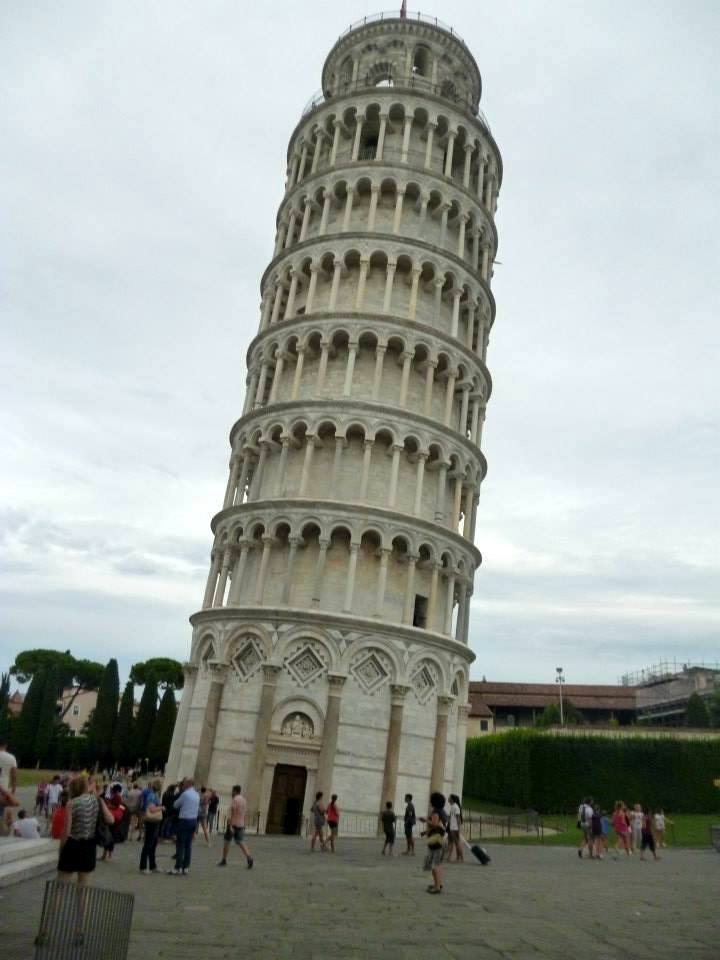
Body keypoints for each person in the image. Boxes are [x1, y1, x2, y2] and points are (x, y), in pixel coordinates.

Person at [35, 775, 114, 948]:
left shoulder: (71, 803)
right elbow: (111, 820)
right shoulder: (96, 801)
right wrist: (99, 800)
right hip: (89, 847)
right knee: (83, 891)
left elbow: (66, 830)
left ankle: (45, 932)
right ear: (87, 787)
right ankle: (79, 932)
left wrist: (62, 849)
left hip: (73, 844)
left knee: (59, 890)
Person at [169, 777, 200, 875]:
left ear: (188, 784)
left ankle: (178, 867)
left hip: (184, 820)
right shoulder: (196, 794)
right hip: (193, 821)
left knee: (180, 844)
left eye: (185, 783)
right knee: (188, 844)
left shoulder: (185, 794)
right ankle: (186, 867)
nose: (183, 785)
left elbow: (175, 805)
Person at [218, 784, 254, 868]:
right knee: (241, 841)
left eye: (232, 791)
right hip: (240, 824)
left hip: (233, 824)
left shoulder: (235, 800)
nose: (231, 792)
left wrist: (230, 825)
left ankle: (224, 860)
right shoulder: (244, 800)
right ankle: (249, 857)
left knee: (227, 841)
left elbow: (232, 813)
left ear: (235, 791)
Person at [422, 791, 446, 894]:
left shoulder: (435, 812)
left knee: (434, 864)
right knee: (438, 864)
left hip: (436, 840)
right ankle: (439, 884)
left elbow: (435, 824)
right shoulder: (442, 811)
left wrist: (425, 820)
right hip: (441, 839)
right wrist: (425, 832)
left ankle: (436, 887)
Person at [139, 779, 164, 874]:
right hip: (151, 822)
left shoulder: (155, 795)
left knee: (153, 844)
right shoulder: (152, 795)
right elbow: (151, 809)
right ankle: (143, 867)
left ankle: (153, 866)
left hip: (154, 822)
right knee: (148, 844)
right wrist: (161, 807)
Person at [446, 794, 464, 863]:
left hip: (455, 828)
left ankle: (460, 858)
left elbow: (458, 819)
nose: (448, 799)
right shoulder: (452, 807)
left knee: (457, 843)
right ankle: (449, 857)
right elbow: (450, 818)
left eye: (449, 798)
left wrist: (458, 829)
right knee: (450, 842)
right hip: (451, 828)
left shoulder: (456, 807)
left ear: (452, 799)